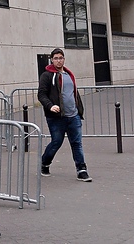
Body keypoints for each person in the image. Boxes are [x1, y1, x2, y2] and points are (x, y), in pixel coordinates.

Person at [37, 48, 92, 182]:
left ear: (64, 59)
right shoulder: (47, 75)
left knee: (76, 143)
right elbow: (41, 95)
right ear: (51, 60)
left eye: (60, 58)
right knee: (56, 142)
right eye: (55, 58)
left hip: (73, 116)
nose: (58, 60)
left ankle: (81, 170)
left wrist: (79, 109)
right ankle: (44, 163)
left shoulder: (68, 74)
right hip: (57, 118)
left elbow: (73, 92)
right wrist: (51, 106)